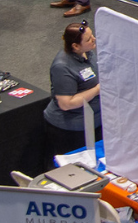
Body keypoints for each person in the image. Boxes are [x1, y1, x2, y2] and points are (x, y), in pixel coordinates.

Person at [43, 20, 101, 157]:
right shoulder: (62, 67)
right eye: (89, 39)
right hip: (71, 130)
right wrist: (98, 89)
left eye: (92, 35)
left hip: (94, 122)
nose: (94, 39)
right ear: (75, 46)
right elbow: (66, 103)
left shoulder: (87, 52)